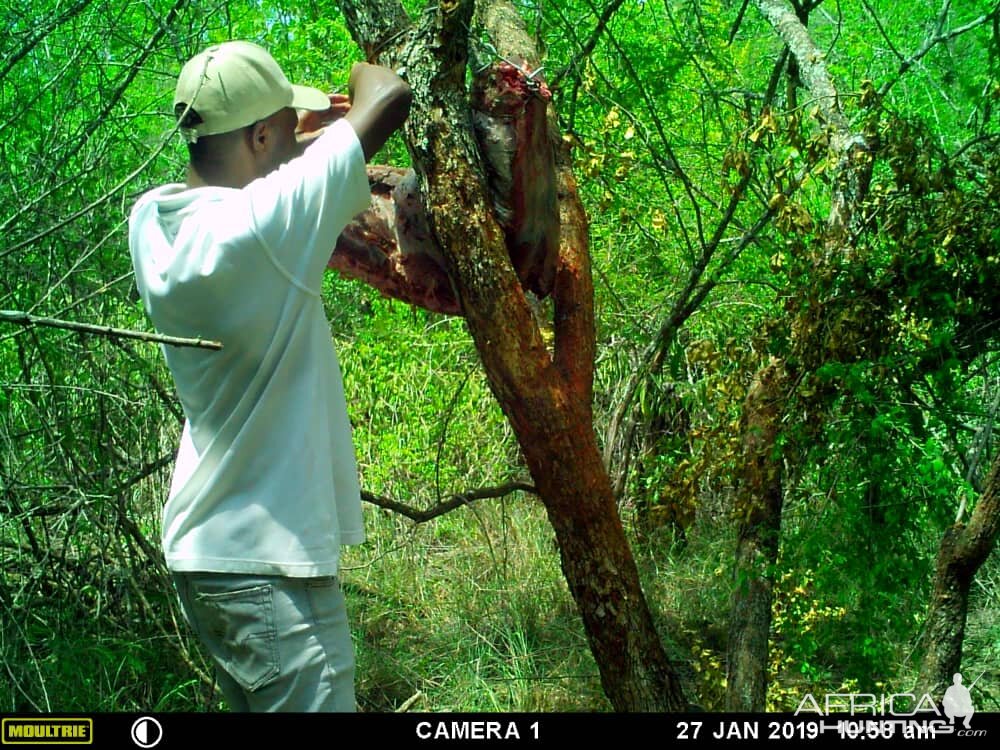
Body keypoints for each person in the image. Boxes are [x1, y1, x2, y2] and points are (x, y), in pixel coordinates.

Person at [128, 40, 411, 711]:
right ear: (257, 136)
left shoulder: (151, 223)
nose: (296, 142)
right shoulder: (263, 227)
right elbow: (388, 91)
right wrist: (336, 121)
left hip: (210, 557)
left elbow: (252, 176)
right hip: (269, 571)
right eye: (281, 132)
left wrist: (290, 133)